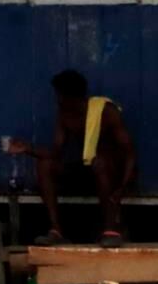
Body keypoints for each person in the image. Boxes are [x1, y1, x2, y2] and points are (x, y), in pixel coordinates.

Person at [7, 70, 136, 247]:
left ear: (71, 97)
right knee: (45, 165)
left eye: (60, 96)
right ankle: (56, 230)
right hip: (87, 170)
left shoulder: (106, 111)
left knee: (100, 162)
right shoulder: (64, 115)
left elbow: (129, 153)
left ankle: (111, 230)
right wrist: (27, 149)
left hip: (110, 173)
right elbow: (56, 152)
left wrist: (123, 186)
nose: (57, 100)